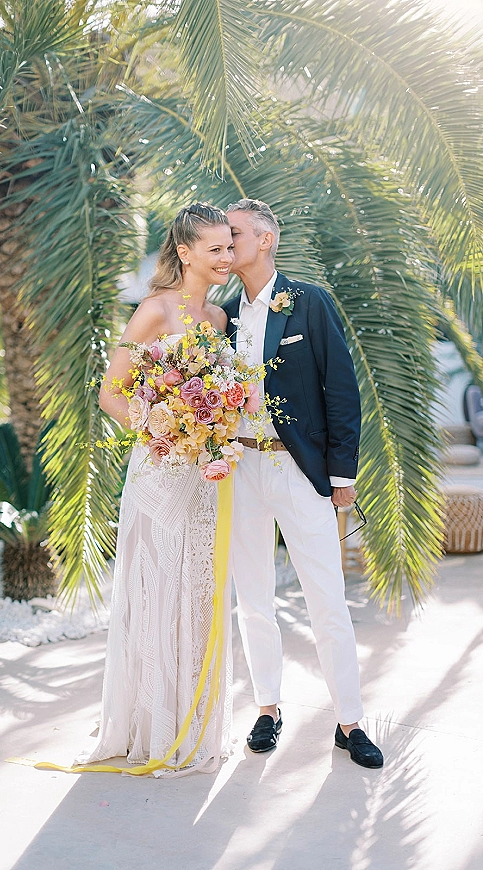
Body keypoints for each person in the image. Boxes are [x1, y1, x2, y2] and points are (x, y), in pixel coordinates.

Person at [222, 198, 383, 769]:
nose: (225, 241)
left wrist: (343, 475)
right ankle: (267, 707)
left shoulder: (307, 302)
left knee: (326, 599)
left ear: (265, 239)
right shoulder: (222, 314)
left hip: (300, 470)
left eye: (234, 233)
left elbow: (341, 389)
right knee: (254, 597)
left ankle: (350, 721)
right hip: (239, 469)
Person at [76, 203, 234, 775]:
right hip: (159, 470)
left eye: (228, 247)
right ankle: (149, 727)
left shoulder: (217, 321)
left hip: (205, 477)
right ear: (185, 252)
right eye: (214, 249)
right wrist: (161, 429)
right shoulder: (153, 311)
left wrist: (214, 428)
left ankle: (194, 724)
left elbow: (225, 394)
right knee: (157, 589)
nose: (225, 258)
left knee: (197, 593)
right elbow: (111, 393)